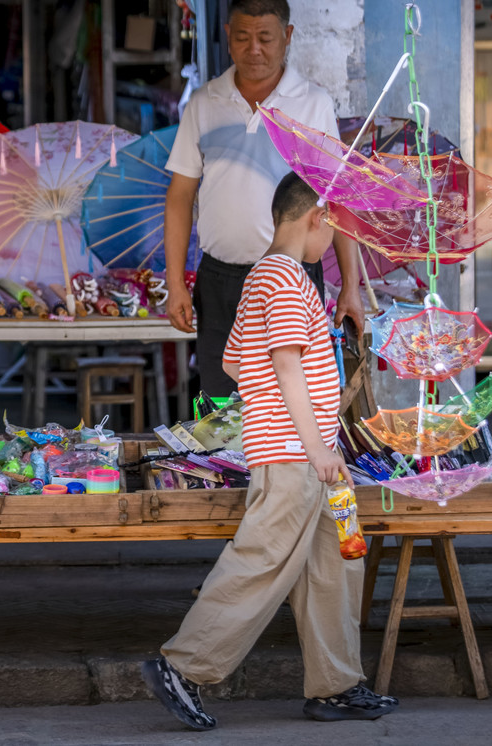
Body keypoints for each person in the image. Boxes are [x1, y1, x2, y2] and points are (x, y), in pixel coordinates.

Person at [142, 173, 399, 731]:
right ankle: (182, 667)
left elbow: (238, 364)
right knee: (262, 561)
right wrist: (315, 444)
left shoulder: (272, 277)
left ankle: (337, 685)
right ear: (316, 217)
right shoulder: (283, 278)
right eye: (333, 228)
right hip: (296, 455)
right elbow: (283, 365)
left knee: (337, 564)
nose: (332, 243)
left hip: (313, 454)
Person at [163, 0, 364, 399]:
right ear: (227, 34)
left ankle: (284, 466)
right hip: (219, 279)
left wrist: (350, 286)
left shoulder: (313, 104)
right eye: (242, 37)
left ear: (287, 36)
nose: (253, 49)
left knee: (290, 401)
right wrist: (175, 283)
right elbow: (180, 196)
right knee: (221, 403)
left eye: (266, 38)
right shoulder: (203, 103)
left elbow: (336, 199)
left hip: (294, 279)